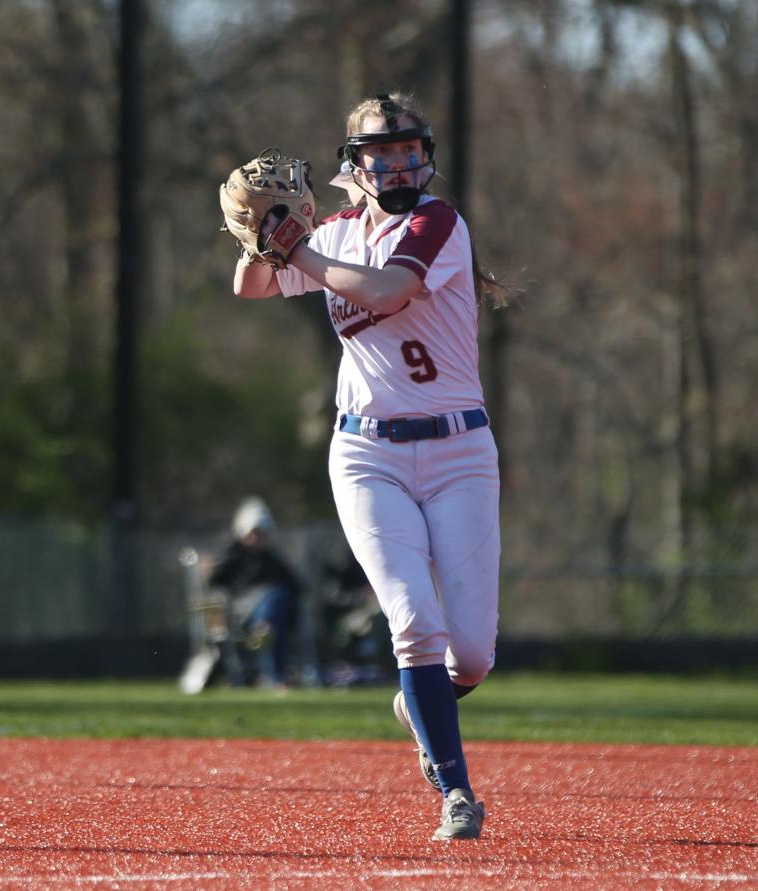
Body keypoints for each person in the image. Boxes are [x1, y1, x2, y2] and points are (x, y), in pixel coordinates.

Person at [231, 92, 506, 841]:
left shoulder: (437, 222)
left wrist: (304, 250)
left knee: (474, 653)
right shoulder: (338, 230)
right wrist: (263, 241)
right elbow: (250, 287)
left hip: (458, 452)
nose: (399, 163)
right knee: (414, 623)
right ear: (355, 165)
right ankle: (456, 791)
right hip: (367, 453)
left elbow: (390, 290)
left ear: (428, 155)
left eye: (409, 148)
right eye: (381, 152)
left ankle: (421, 698)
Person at [208, 496, 304, 691]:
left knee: (276, 606)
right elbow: (215, 581)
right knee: (275, 602)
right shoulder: (233, 556)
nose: (257, 538)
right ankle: (275, 669)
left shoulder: (272, 559)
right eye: (254, 533)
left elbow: (299, 586)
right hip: (243, 612)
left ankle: (266, 629)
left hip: (274, 614)